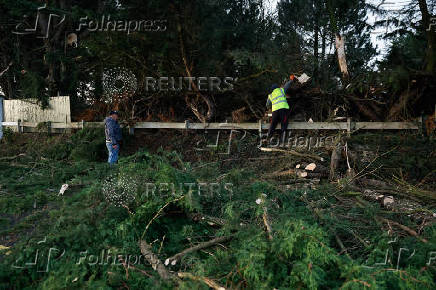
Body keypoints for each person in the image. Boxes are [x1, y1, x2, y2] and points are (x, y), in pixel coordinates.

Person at [266, 75, 296, 143]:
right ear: (278, 87)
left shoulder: (270, 95)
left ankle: (268, 138)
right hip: (283, 110)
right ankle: (283, 140)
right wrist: (291, 80)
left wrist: (270, 108)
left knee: (273, 124)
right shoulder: (281, 90)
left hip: (275, 111)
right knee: (284, 123)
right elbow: (287, 85)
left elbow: (267, 105)